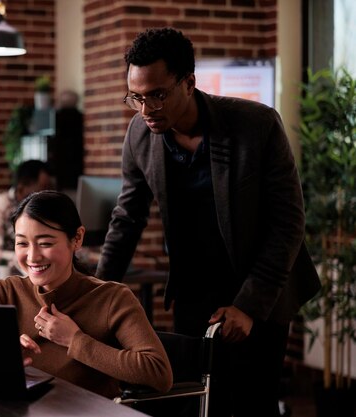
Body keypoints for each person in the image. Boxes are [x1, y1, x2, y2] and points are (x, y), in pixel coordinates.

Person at [95, 28, 321, 417]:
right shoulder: (140, 135)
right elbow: (127, 218)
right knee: (196, 402)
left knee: (253, 404)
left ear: (189, 82)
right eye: (136, 97)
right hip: (194, 290)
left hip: (261, 287)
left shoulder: (256, 125)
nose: (147, 109)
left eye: (158, 94)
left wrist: (248, 305)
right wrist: (97, 294)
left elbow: (288, 222)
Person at [0, 190, 173, 399]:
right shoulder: (5, 292)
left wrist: (75, 340)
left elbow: (159, 373)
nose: (32, 256)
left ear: (77, 239)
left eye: (45, 243)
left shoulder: (112, 298)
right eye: (22, 243)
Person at [0, 159, 52, 269]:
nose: (48, 192)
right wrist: (28, 258)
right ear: (22, 187)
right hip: (6, 279)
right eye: (43, 187)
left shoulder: (44, 210)